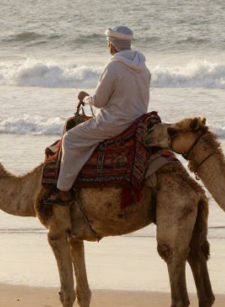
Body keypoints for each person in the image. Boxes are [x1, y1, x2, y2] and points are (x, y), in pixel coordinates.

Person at [44, 26, 151, 206]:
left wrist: (85, 98)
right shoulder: (143, 67)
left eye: (108, 43)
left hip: (114, 124)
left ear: (112, 45)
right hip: (137, 121)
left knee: (70, 138)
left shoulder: (114, 66)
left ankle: (63, 192)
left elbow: (99, 102)